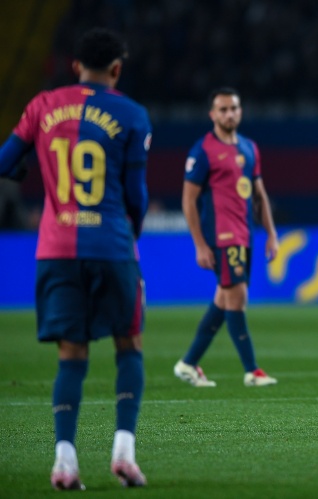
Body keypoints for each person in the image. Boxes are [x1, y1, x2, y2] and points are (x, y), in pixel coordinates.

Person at [0, 28, 150, 489]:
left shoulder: (42, 106)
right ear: (117, 69)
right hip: (111, 246)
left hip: (56, 249)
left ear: (75, 66)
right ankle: (123, 453)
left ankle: (64, 462)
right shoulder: (132, 114)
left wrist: (25, 169)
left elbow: (4, 162)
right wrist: (132, 232)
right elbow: (137, 195)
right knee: (129, 343)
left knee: (71, 355)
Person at [173, 87, 279, 388]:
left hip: (245, 234)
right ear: (212, 114)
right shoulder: (203, 151)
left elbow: (259, 194)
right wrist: (199, 244)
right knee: (237, 296)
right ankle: (252, 370)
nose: (229, 114)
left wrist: (271, 233)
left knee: (224, 298)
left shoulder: (249, 148)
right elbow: (188, 200)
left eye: (233, 108)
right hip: (222, 236)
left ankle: (188, 363)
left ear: (240, 111)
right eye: (223, 109)